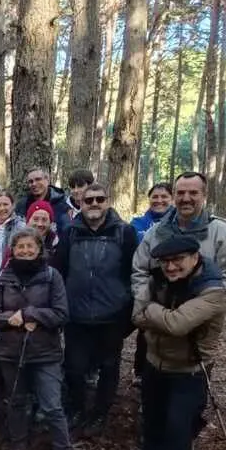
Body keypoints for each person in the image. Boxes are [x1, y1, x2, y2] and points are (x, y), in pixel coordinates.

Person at [128, 236, 226, 450]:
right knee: (153, 419)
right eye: (166, 262)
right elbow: (136, 315)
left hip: (190, 370)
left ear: (194, 257)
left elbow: (177, 324)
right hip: (155, 362)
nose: (171, 267)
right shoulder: (156, 278)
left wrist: (153, 312)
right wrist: (159, 315)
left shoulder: (212, 290)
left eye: (177, 260)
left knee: (179, 425)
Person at [0, 228, 78, 450]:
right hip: (10, 352)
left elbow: (61, 313)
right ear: (12, 250)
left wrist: (30, 314)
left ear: (39, 248)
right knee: (16, 400)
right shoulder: (3, 277)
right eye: (20, 247)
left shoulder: (51, 276)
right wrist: (11, 319)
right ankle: (17, 445)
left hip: (45, 353)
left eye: (30, 246)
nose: (25, 251)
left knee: (52, 405)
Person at [54, 183, 138, 436]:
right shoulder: (70, 233)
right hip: (76, 315)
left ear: (107, 202)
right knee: (74, 367)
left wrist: (127, 310)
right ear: (80, 203)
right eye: (88, 200)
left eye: (99, 199)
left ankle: (100, 414)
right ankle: (77, 409)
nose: (93, 204)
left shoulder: (125, 233)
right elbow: (60, 270)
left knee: (109, 367)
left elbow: (133, 273)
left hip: (112, 315)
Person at [132, 171, 226, 302]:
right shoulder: (155, 232)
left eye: (193, 193)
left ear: (204, 195)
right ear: (174, 196)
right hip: (158, 313)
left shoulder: (221, 232)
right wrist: (145, 304)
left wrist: (206, 306)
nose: (186, 198)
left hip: (202, 316)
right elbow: (139, 271)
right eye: (180, 193)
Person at [131, 182, 175, 385]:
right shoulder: (138, 223)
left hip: (176, 283)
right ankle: (141, 371)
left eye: (164, 196)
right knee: (146, 328)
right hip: (149, 283)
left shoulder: (180, 222)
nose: (159, 200)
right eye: (154, 197)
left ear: (172, 199)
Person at [14, 169, 72, 235]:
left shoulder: (62, 202)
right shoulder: (22, 205)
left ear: (47, 180)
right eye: (30, 181)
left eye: (38, 179)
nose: (34, 184)